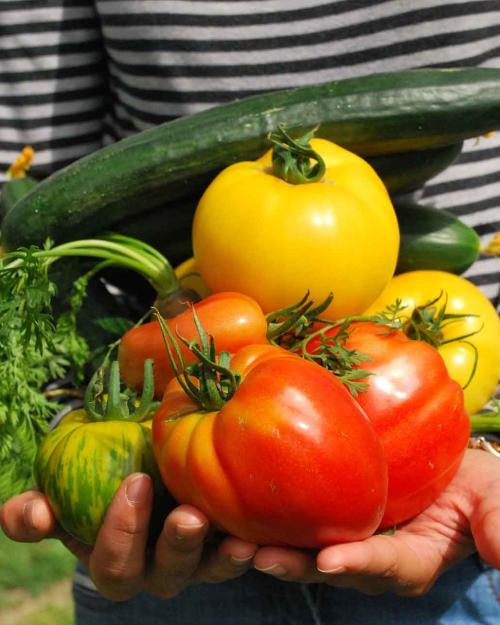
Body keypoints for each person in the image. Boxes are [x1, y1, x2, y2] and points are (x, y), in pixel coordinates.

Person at [1, 1, 499, 624]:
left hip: (456, 480)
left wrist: (490, 444)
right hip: (163, 464)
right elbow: (26, 179)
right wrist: (66, 407)